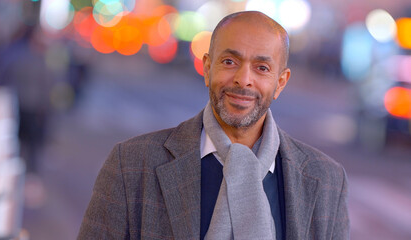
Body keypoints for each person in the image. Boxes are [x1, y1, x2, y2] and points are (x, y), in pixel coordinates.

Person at [78, 11, 349, 240]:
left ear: (280, 82)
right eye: (230, 62)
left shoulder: (326, 181)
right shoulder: (131, 166)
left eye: (262, 68)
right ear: (208, 68)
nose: (243, 79)